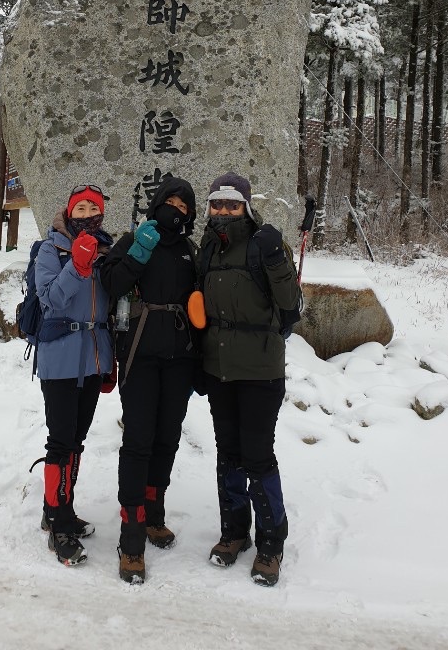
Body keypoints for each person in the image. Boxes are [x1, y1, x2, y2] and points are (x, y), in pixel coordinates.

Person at [197, 172, 301, 587]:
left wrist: (276, 260)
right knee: (228, 452)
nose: (224, 211)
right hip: (219, 368)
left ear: (246, 207)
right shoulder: (208, 246)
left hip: (260, 370)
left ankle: (271, 542)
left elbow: (291, 304)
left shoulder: (264, 244)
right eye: (217, 204)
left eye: (232, 204)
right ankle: (234, 532)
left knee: (257, 455)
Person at [100, 176, 198, 585]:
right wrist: (138, 254)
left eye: (184, 207)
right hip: (139, 355)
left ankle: (154, 514)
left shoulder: (191, 251)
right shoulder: (133, 240)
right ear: (157, 203)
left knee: (167, 438)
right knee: (138, 441)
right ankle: (132, 534)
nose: (176, 210)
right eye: (170, 202)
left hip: (180, 359)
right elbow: (110, 283)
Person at [34, 184, 115, 568]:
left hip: (93, 358)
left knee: (77, 440)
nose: (85, 214)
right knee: (61, 441)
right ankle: (59, 525)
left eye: (92, 208)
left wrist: (109, 360)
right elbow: (51, 298)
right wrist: (77, 266)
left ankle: (58, 509)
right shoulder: (50, 249)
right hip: (60, 358)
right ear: (69, 213)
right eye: (79, 208)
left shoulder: (106, 250)